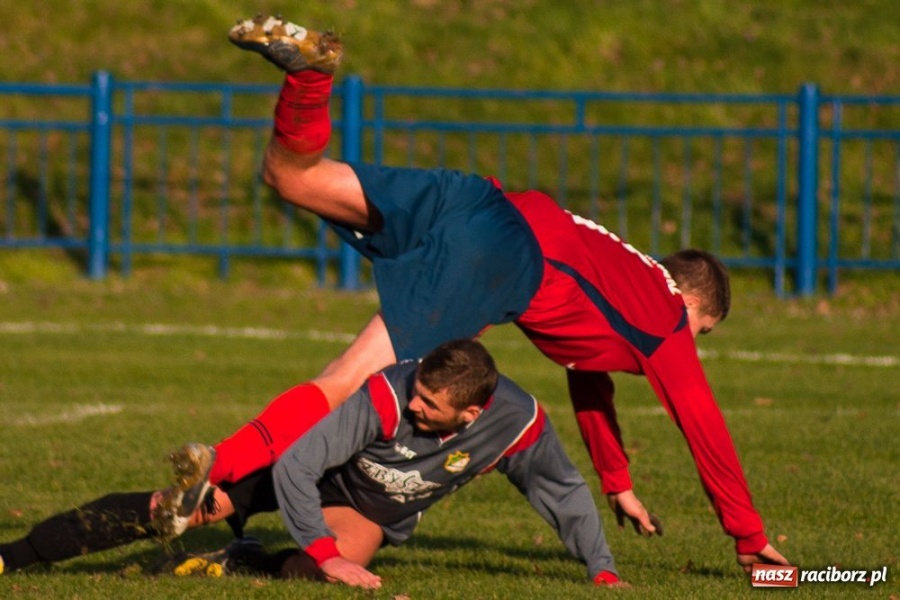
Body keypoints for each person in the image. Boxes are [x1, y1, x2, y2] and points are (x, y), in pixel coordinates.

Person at [157, 14, 788, 573]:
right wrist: (748, 535)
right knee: (346, 381)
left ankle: (310, 76)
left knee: (291, 175)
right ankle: (219, 461)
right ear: (693, 304)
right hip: (496, 260)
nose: (691, 344)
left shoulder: (624, 270)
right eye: (700, 333)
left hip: (475, 202)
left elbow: (587, 367)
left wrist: (617, 481)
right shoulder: (666, 319)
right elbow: (704, 426)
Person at [0, 340, 621, 589]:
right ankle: (14, 555)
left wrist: (601, 571)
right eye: (417, 391)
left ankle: (246, 559)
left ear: (472, 414)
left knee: (317, 574)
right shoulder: (387, 392)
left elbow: (562, 489)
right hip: (313, 463)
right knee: (183, 511)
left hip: (367, 505)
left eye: (429, 405)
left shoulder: (517, 423)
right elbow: (299, 464)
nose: (414, 404)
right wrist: (328, 551)